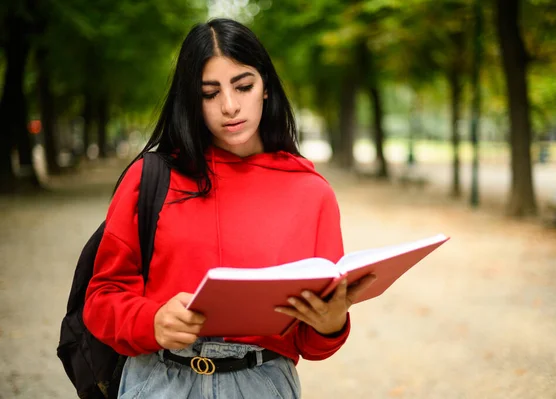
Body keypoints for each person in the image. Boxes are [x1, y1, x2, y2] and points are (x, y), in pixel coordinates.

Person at [83, 18, 376, 399]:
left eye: (243, 86)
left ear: (266, 87)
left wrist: (331, 323)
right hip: (159, 378)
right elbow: (101, 299)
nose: (230, 106)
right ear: (191, 99)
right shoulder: (149, 178)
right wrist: (150, 321)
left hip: (263, 382)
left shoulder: (312, 193)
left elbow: (313, 345)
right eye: (209, 93)